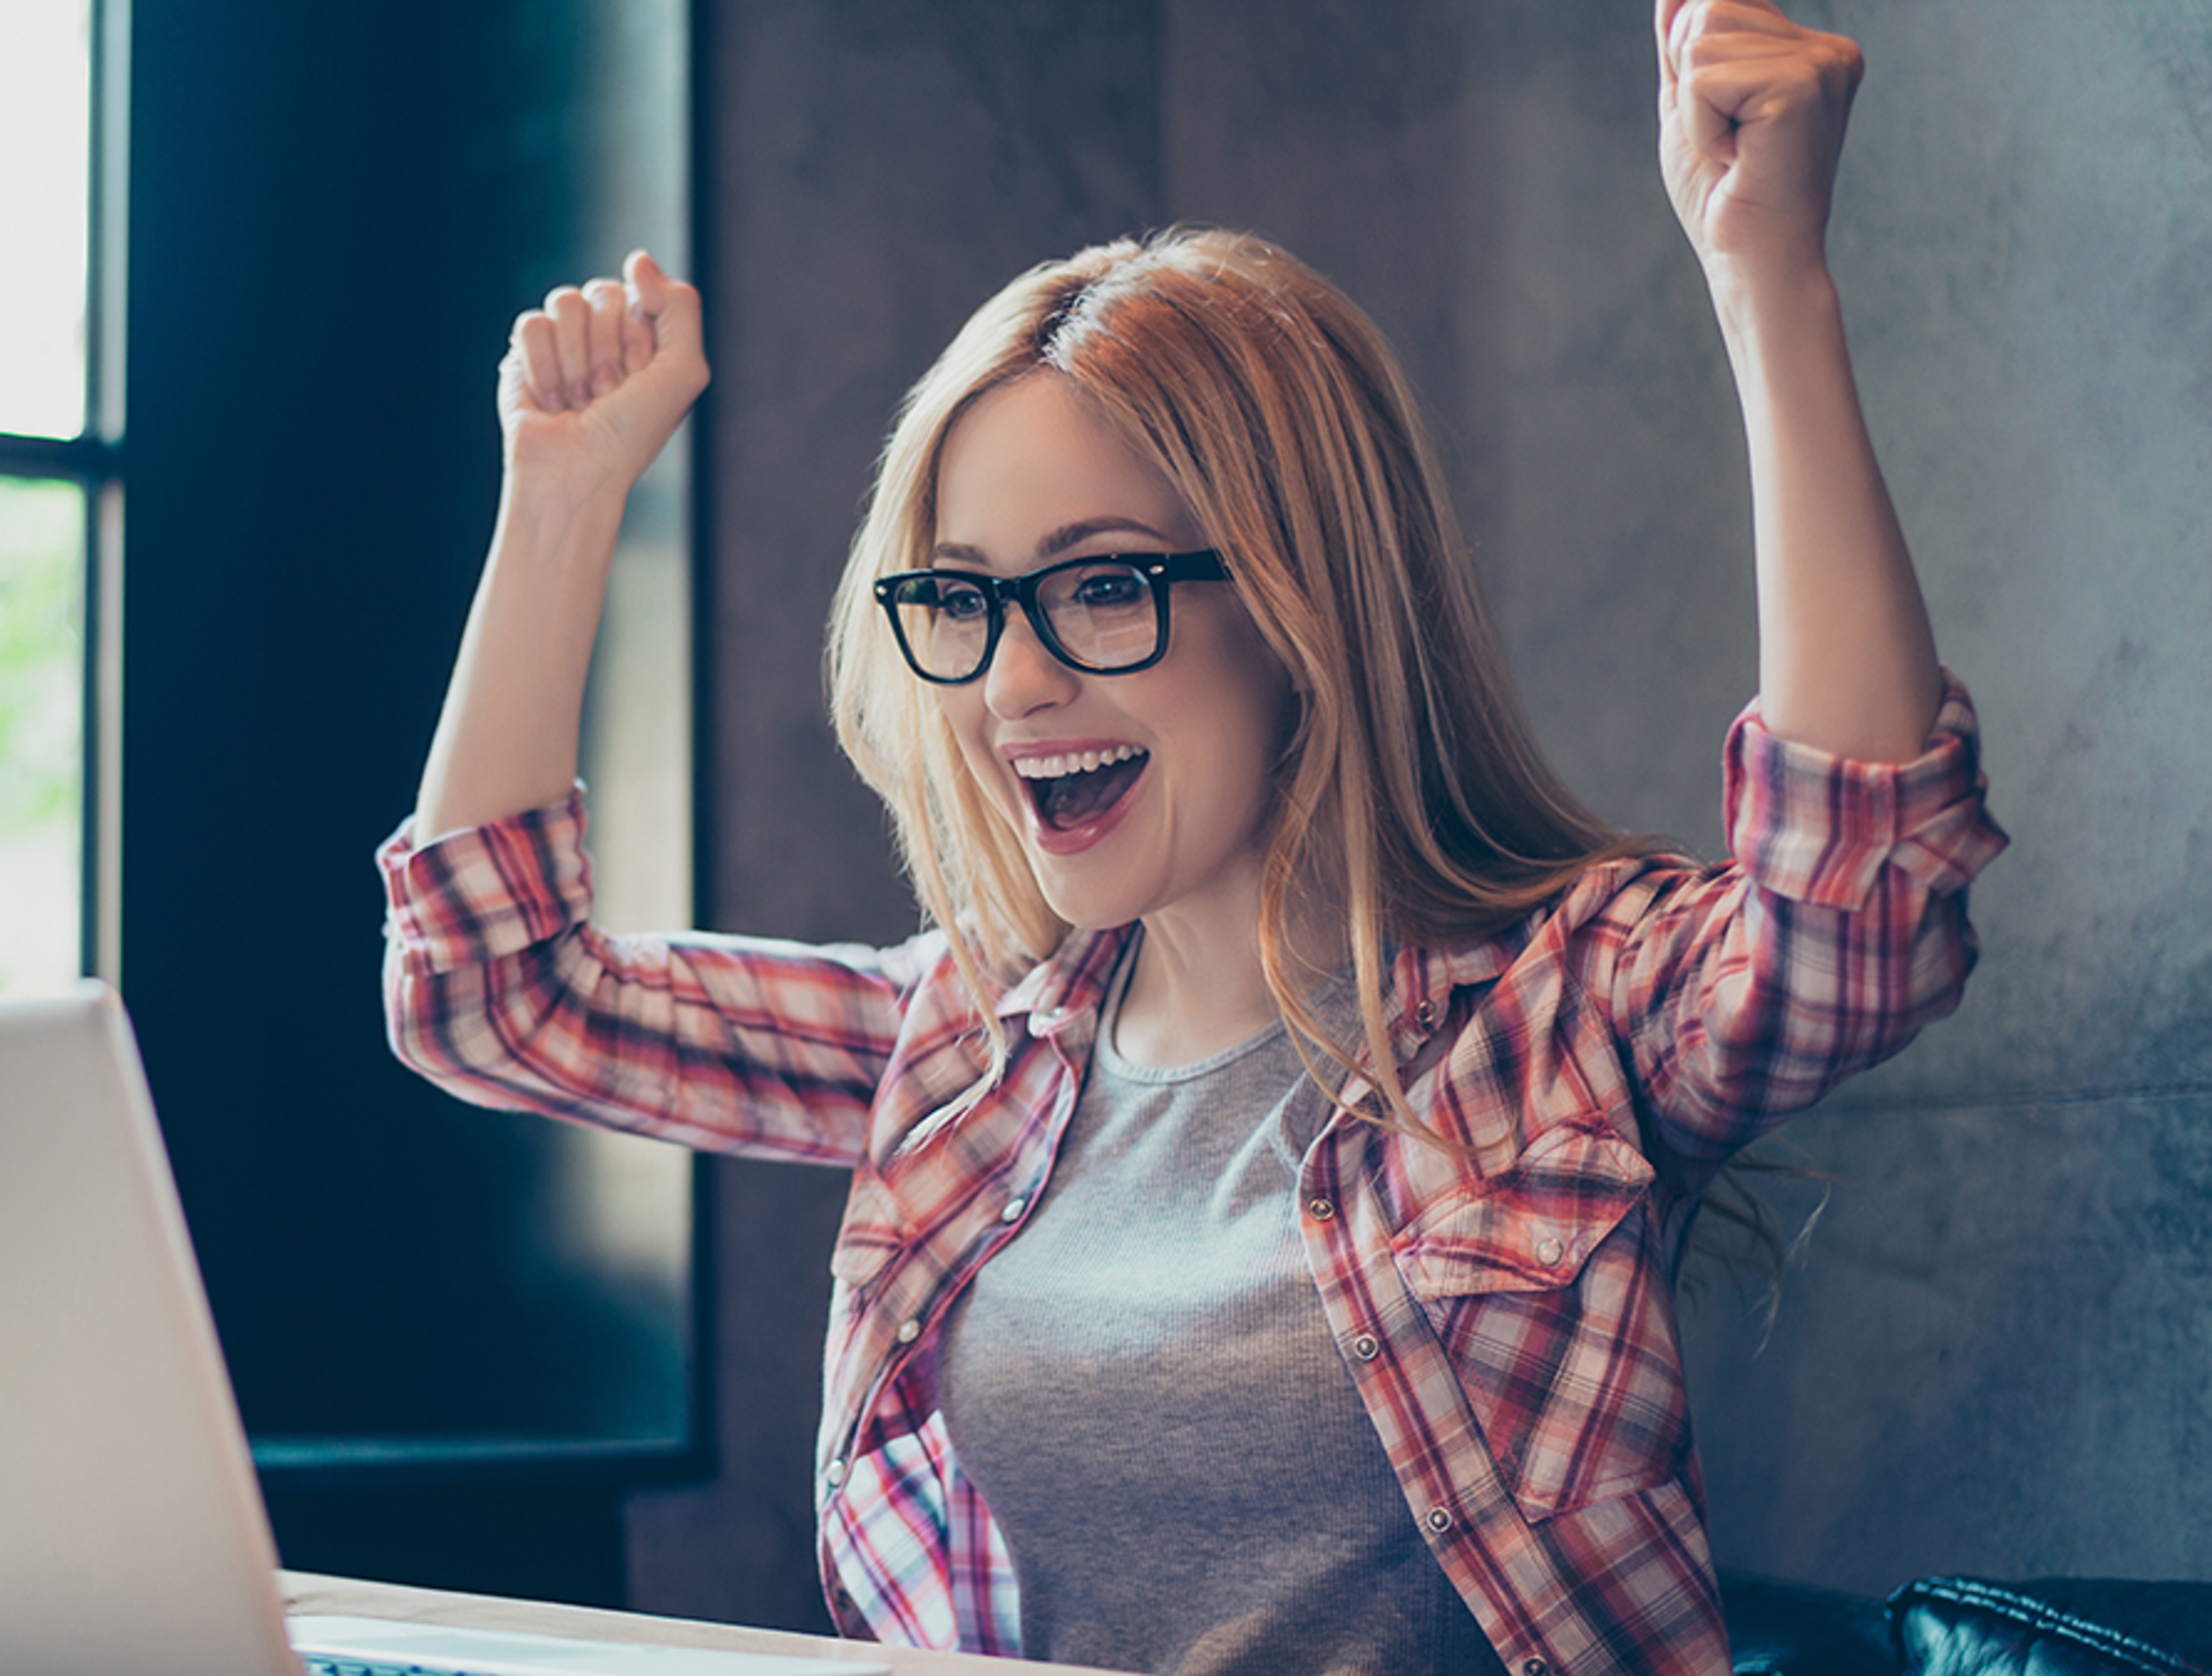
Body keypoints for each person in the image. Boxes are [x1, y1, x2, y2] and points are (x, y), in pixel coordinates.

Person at [380, 3, 2006, 1674]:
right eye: (963, 599)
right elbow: (496, 1002)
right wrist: (563, 498)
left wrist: (1769, 277)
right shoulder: (956, 1049)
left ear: (1303, 605)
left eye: (1100, 586)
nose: (1014, 682)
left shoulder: (1560, 1006)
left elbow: (1857, 920)